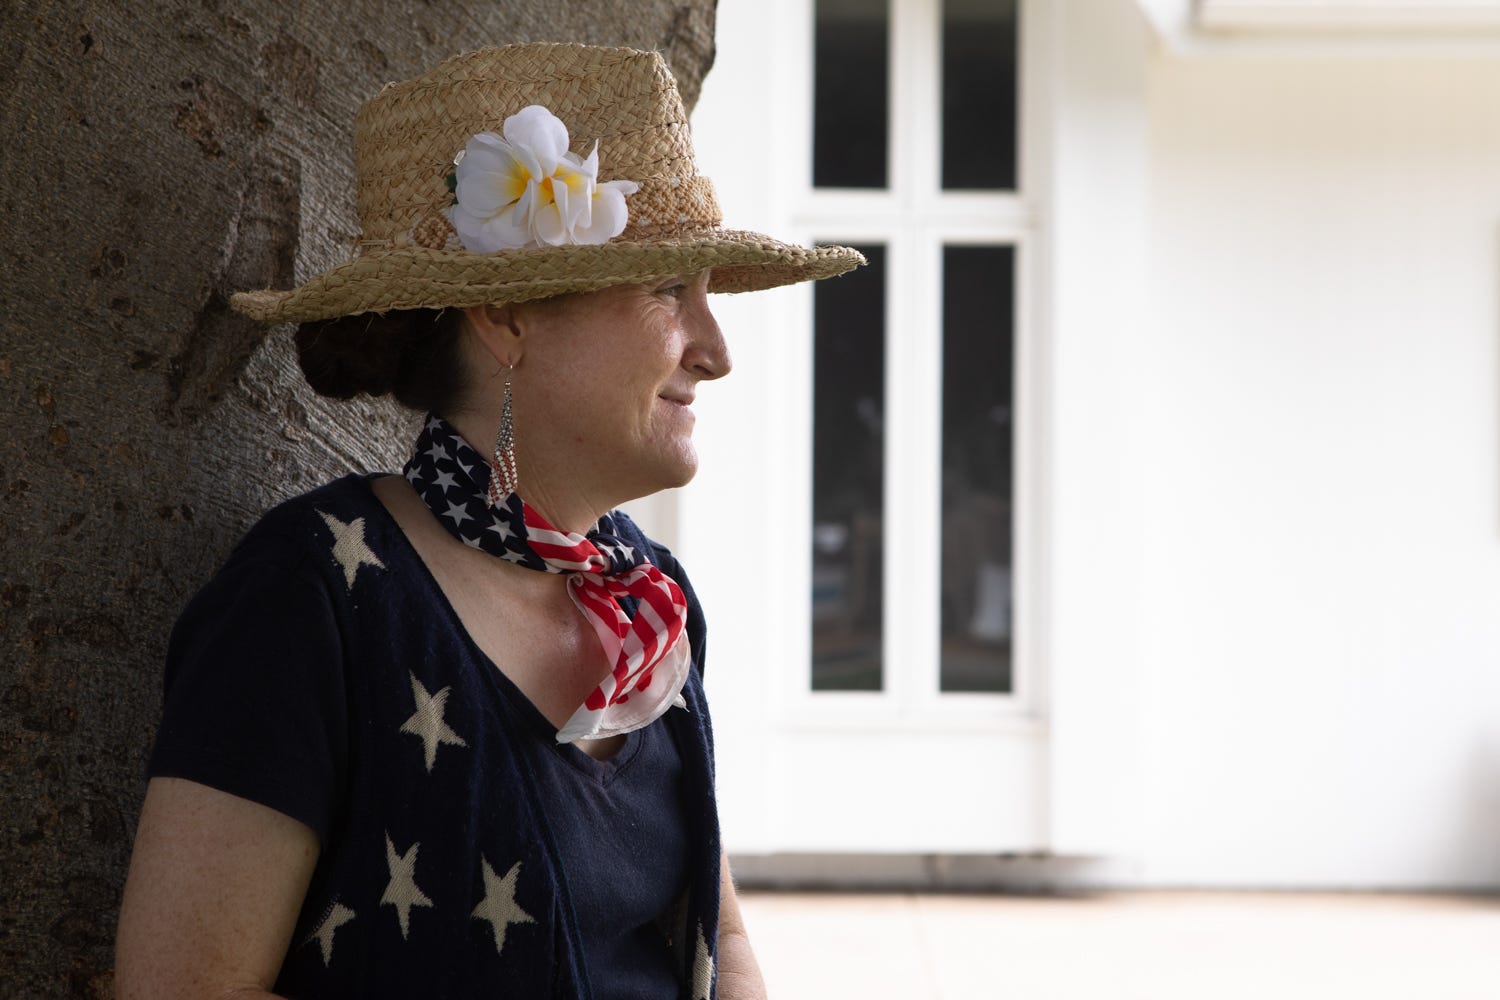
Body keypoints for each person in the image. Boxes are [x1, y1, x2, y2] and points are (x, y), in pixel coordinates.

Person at [113, 43, 862, 999]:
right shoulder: (311, 593)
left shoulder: (649, 601)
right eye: (671, 291)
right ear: (506, 316)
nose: (715, 351)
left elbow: (720, 942)